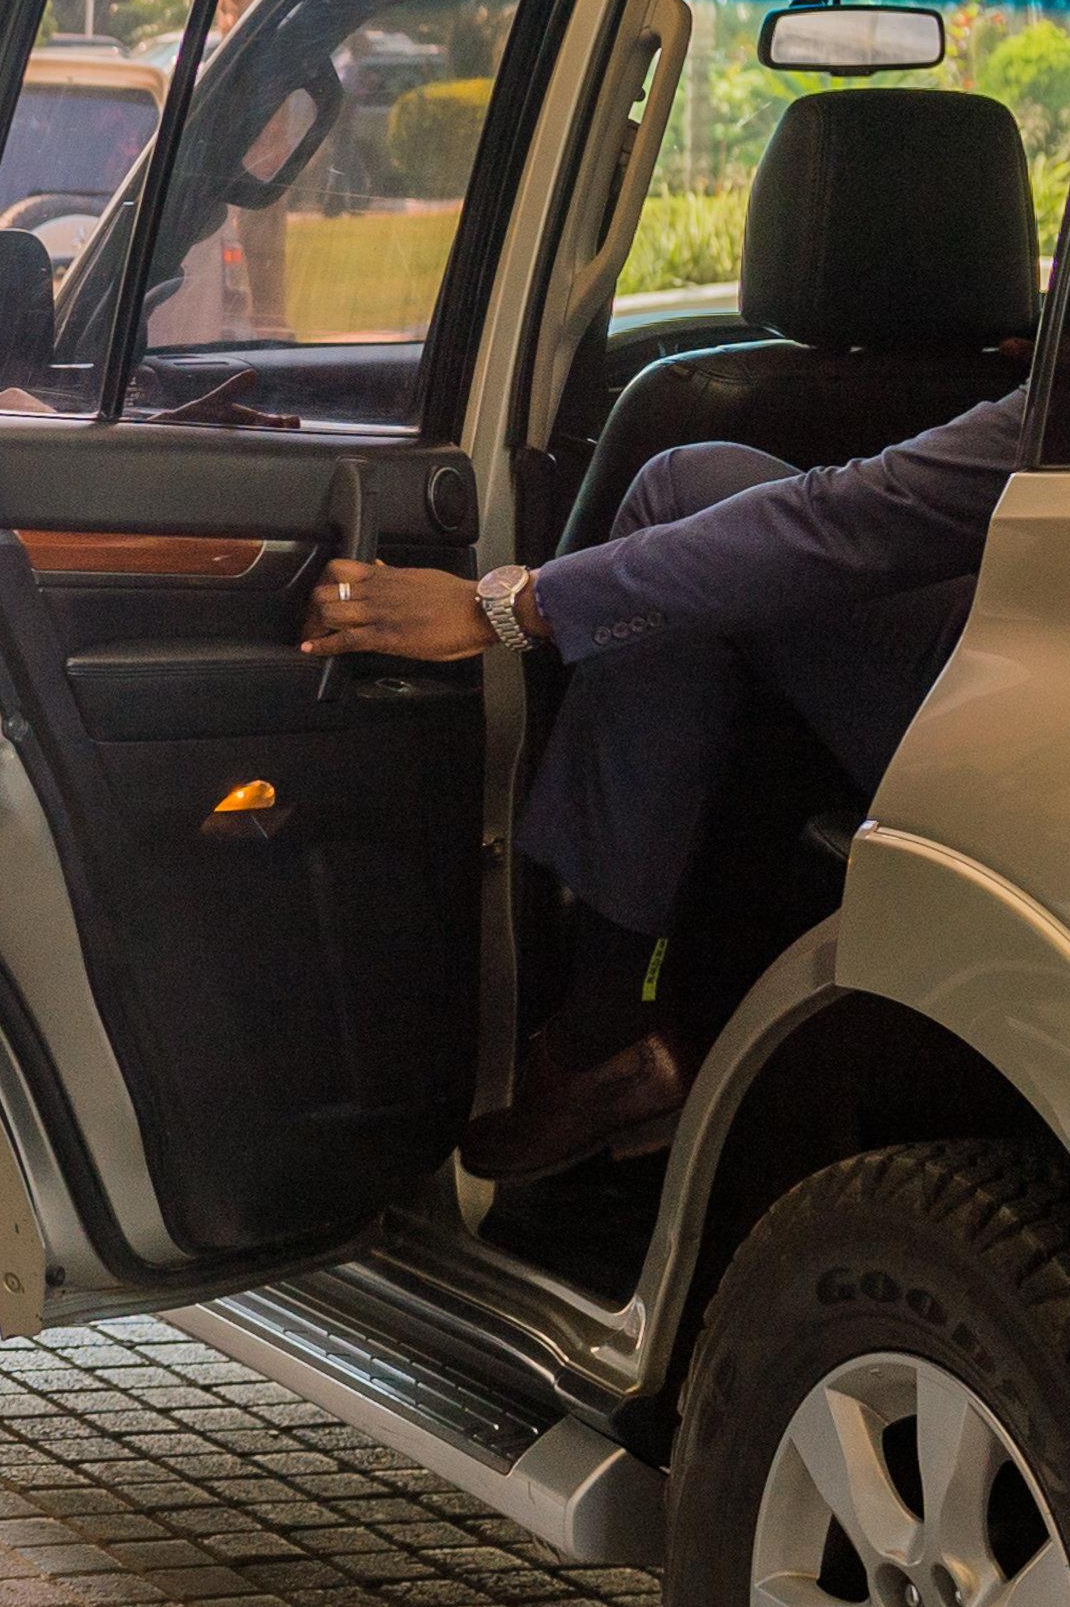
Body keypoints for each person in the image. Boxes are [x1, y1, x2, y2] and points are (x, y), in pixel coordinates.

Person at [301, 386, 1028, 1180]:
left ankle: (604, 1026)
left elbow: (861, 517)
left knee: (674, 500)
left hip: (1031, 732)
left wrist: (499, 607)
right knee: (694, 491)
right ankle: (610, 1026)